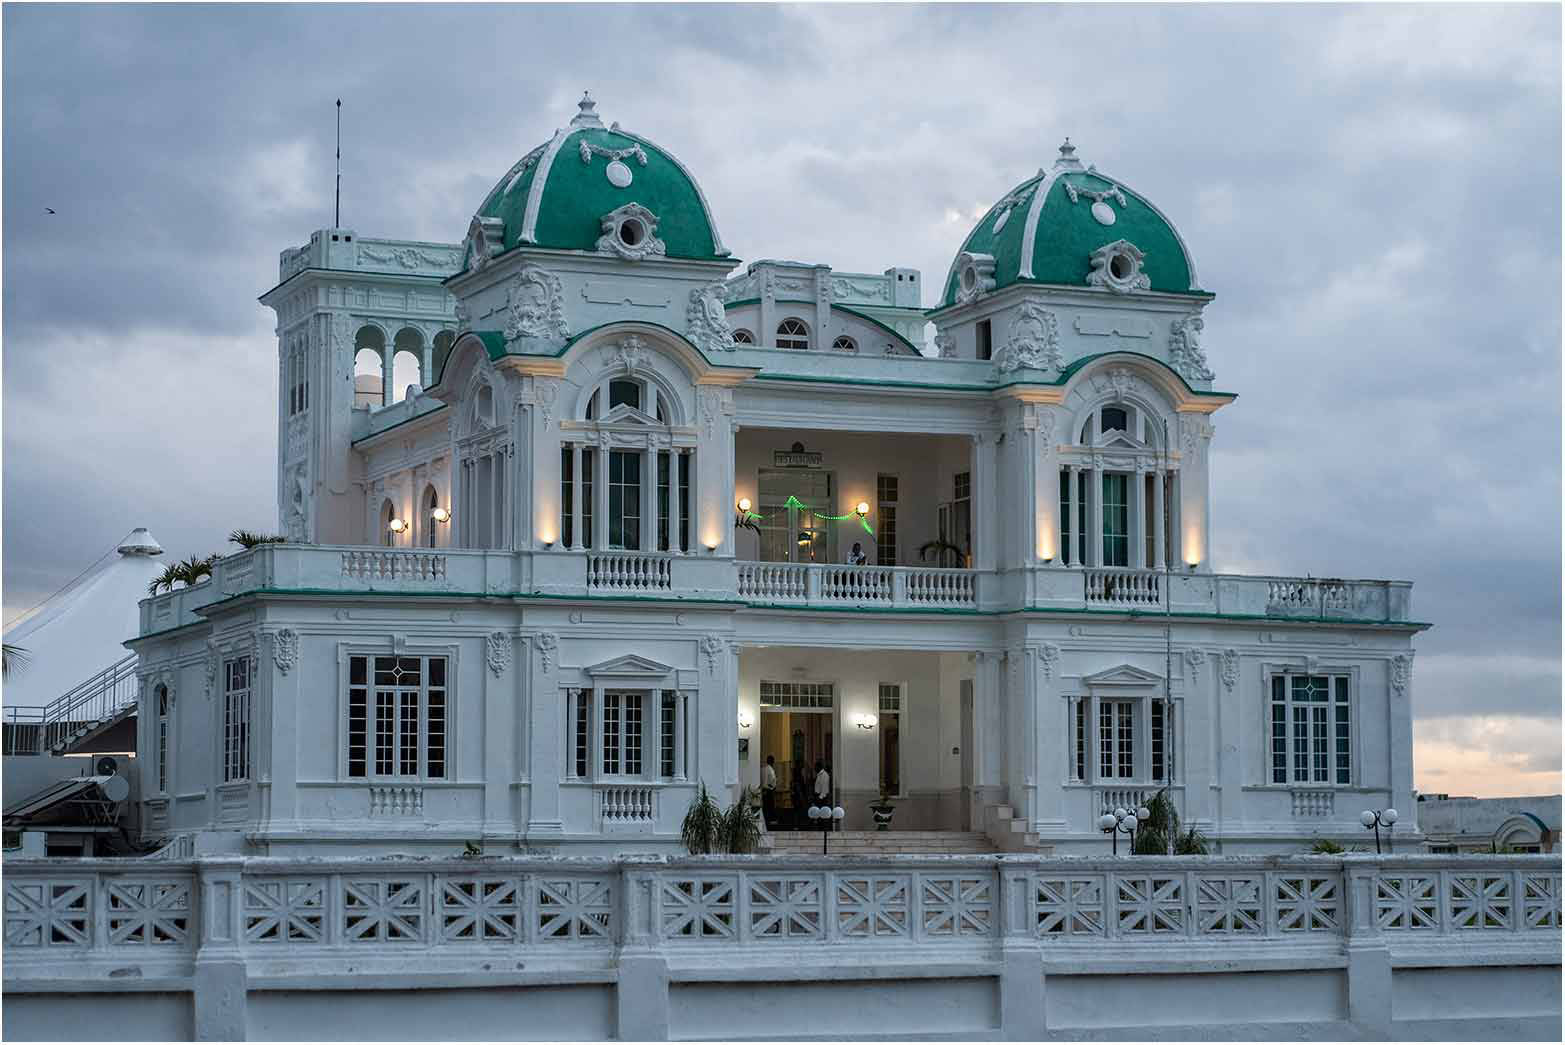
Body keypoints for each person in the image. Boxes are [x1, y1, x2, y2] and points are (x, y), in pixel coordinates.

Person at [761, 755, 778, 828]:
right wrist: (771, 787)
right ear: (771, 761)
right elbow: (766, 782)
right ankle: (770, 820)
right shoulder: (768, 769)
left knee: (768, 806)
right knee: (769, 806)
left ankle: (768, 820)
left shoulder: (767, 769)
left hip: (767, 790)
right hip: (768, 790)